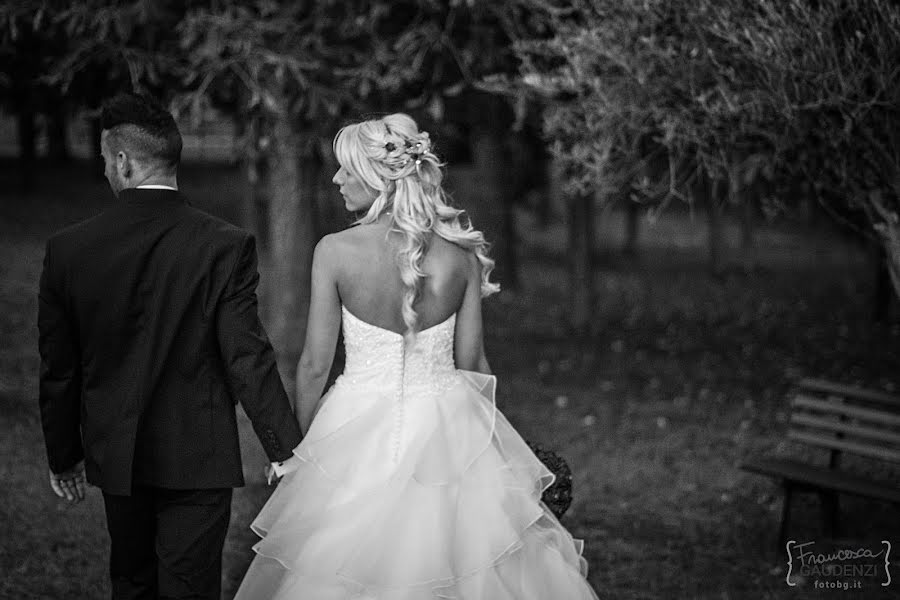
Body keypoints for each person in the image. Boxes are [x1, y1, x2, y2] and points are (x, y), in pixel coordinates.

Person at [235, 113, 599, 599]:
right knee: (468, 559)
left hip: (354, 429)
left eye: (347, 169)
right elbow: (474, 364)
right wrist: (491, 452)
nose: (337, 179)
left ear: (378, 176)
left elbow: (315, 364)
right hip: (449, 426)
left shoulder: (336, 252)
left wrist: (299, 455)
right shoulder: (461, 256)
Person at [37, 92, 303, 599]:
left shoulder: (69, 249)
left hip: (117, 454)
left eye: (105, 161)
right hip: (197, 455)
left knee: (132, 582)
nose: (106, 171)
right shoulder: (223, 245)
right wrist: (284, 451)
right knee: (190, 588)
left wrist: (63, 454)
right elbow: (246, 355)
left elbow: (59, 367)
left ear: (123, 161)